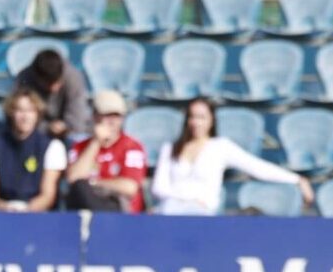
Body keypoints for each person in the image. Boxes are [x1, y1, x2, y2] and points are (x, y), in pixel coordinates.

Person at [151, 96, 314, 215]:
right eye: (192, 117)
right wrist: (188, 199)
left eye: (202, 117)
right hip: (169, 211)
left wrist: (296, 179)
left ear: (211, 120)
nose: (196, 123)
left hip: (201, 214)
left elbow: (256, 167)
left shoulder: (220, 147)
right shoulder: (170, 148)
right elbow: (158, 188)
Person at [0, 87, 67, 212]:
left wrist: (26, 211)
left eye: (30, 111)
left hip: (37, 215)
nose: (25, 117)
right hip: (0, 214)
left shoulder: (53, 147)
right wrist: (4, 207)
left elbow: (48, 196)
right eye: (20, 110)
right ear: (11, 113)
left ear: (37, 114)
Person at [64, 90, 147, 212]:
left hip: (119, 209)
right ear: (95, 116)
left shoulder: (132, 146)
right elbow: (73, 179)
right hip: (87, 205)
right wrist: (96, 142)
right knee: (80, 188)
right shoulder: (80, 146)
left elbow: (130, 187)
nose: (112, 121)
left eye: (116, 116)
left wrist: (93, 183)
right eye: (107, 115)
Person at [11, 49, 92, 143]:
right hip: (36, 131)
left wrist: (65, 127)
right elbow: (15, 116)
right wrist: (47, 127)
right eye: (49, 84)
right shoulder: (24, 80)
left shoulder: (73, 78)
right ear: (37, 78)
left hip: (69, 131)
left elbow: (77, 118)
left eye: (58, 82)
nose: (55, 89)